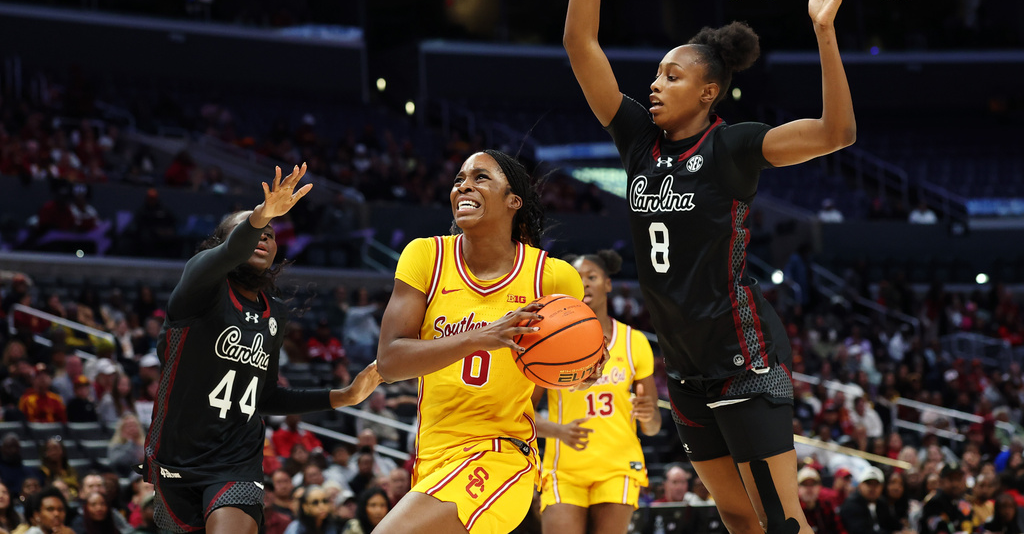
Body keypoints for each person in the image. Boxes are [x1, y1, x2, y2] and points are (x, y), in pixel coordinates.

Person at [562, 0, 856, 534]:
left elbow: (839, 133)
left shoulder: (734, 147)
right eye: (656, 74)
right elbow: (580, 46)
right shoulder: (638, 139)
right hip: (685, 361)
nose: (655, 85)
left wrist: (824, 32)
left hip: (742, 350)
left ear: (709, 92)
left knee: (782, 518)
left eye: (673, 75)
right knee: (734, 514)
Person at [141, 164, 383, 534]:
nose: (264, 237)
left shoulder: (274, 313)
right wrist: (261, 214)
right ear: (223, 244)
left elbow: (266, 396)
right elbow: (232, 248)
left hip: (236, 460)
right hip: (174, 457)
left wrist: (344, 396)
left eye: (271, 234)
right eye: (253, 231)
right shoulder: (199, 287)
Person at [374, 149, 587, 534]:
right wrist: (482, 337)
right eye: (459, 179)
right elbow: (389, 361)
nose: (464, 186)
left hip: (501, 455)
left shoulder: (552, 277)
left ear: (513, 201)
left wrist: (585, 366)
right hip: (431, 459)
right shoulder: (426, 256)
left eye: (480, 177)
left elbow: (573, 365)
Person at [533, 248, 660, 534]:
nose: (586, 282)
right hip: (564, 467)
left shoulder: (634, 341)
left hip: (618, 466)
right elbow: (521, 411)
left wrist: (649, 415)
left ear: (607, 284)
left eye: (592, 276)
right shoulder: (550, 343)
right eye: (578, 278)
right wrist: (558, 431)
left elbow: (651, 428)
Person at [838, 466, 900, 534]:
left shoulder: (882, 502)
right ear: (860, 485)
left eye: (876, 484)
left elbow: (892, 523)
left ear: (882, 487)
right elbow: (860, 531)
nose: (872, 488)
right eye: (868, 483)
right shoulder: (850, 504)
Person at [918, 462, 970, 534]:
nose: (955, 484)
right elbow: (935, 529)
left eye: (958, 479)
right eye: (951, 479)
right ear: (941, 481)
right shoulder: (934, 502)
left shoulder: (965, 500)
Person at [796, 467, 845, 534]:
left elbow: (839, 529)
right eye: (805, 484)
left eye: (813, 484)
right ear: (798, 487)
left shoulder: (826, 506)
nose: (809, 488)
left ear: (819, 487)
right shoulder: (793, 510)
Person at [106, 414, 145, 479]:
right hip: (126, 476)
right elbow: (116, 463)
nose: (132, 429)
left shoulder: (146, 445)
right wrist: (129, 443)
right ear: (121, 429)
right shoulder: (116, 446)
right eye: (128, 426)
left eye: (134, 426)